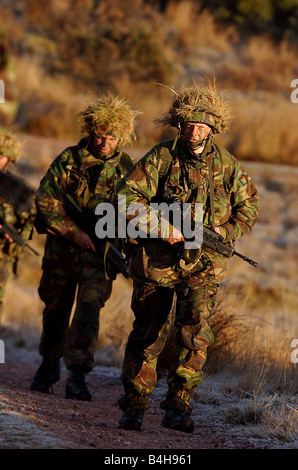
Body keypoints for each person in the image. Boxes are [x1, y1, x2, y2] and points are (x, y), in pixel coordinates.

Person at [115, 84, 259, 433]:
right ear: (180, 125)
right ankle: (135, 403)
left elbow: (249, 206)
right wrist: (163, 227)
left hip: (204, 265)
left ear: (213, 128)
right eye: (189, 124)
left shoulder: (227, 165)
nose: (195, 131)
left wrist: (223, 235)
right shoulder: (161, 157)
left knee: (194, 334)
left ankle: (180, 403)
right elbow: (126, 198)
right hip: (157, 261)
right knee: (148, 333)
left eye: (202, 125)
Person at [30, 94, 138, 401]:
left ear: (122, 138)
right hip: (62, 253)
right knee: (55, 310)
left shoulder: (128, 169)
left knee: (88, 315)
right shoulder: (69, 159)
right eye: (100, 135)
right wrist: (73, 232)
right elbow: (46, 200)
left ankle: (77, 376)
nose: (105, 143)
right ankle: (49, 366)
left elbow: (134, 213)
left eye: (112, 137)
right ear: (91, 132)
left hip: (100, 257)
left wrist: (129, 254)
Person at [0, 129, 35, 323]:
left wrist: (19, 233)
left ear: (10, 159)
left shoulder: (15, 188)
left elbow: (31, 216)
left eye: (1, 156)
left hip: (2, 254)